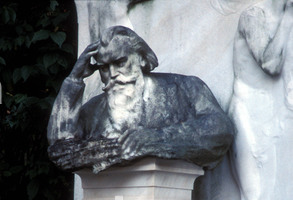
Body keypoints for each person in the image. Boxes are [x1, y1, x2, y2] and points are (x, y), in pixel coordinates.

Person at [48, 25, 233, 172]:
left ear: (142, 59)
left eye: (120, 62)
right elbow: (59, 145)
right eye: (104, 68)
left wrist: (156, 139)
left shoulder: (183, 88)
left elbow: (219, 130)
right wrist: (74, 80)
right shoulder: (95, 109)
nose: (112, 74)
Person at [229, 0, 293, 200]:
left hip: (265, 114)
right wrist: (288, 18)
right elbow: (271, 63)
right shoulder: (253, 15)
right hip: (244, 111)